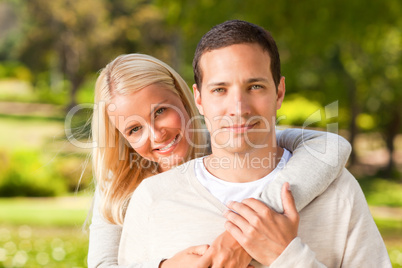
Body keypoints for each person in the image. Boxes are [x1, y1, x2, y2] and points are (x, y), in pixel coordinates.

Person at [118, 20, 391, 267]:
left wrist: (287, 256)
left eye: (255, 87)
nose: (239, 108)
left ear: (279, 92)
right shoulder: (153, 198)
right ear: (199, 99)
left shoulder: (339, 192)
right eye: (220, 90)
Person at [88, 53, 351, 267]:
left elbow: (330, 146)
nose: (156, 134)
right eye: (134, 129)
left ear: (188, 97)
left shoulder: (230, 142)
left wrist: (243, 234)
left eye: (160, 111)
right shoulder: (119, 183)